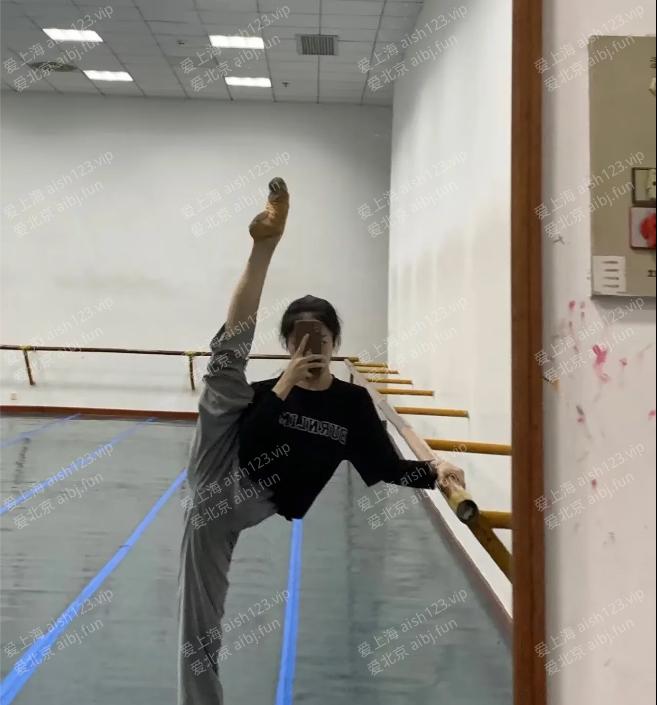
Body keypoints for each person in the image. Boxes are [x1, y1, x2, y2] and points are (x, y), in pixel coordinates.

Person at [177, 177, 466, 704]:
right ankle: (264, 247)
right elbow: (253, 439)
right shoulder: (270, 390)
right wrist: (285, 382)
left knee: (205, 581)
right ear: (288, 344)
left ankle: (266, 246)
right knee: (225, 367)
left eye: (323, 339)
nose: (313, 348)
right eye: (299, 340)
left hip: (254, 497)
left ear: (335, 342)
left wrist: (434, 472)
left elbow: (382, 466)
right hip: (221, 468)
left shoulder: (351, 405)